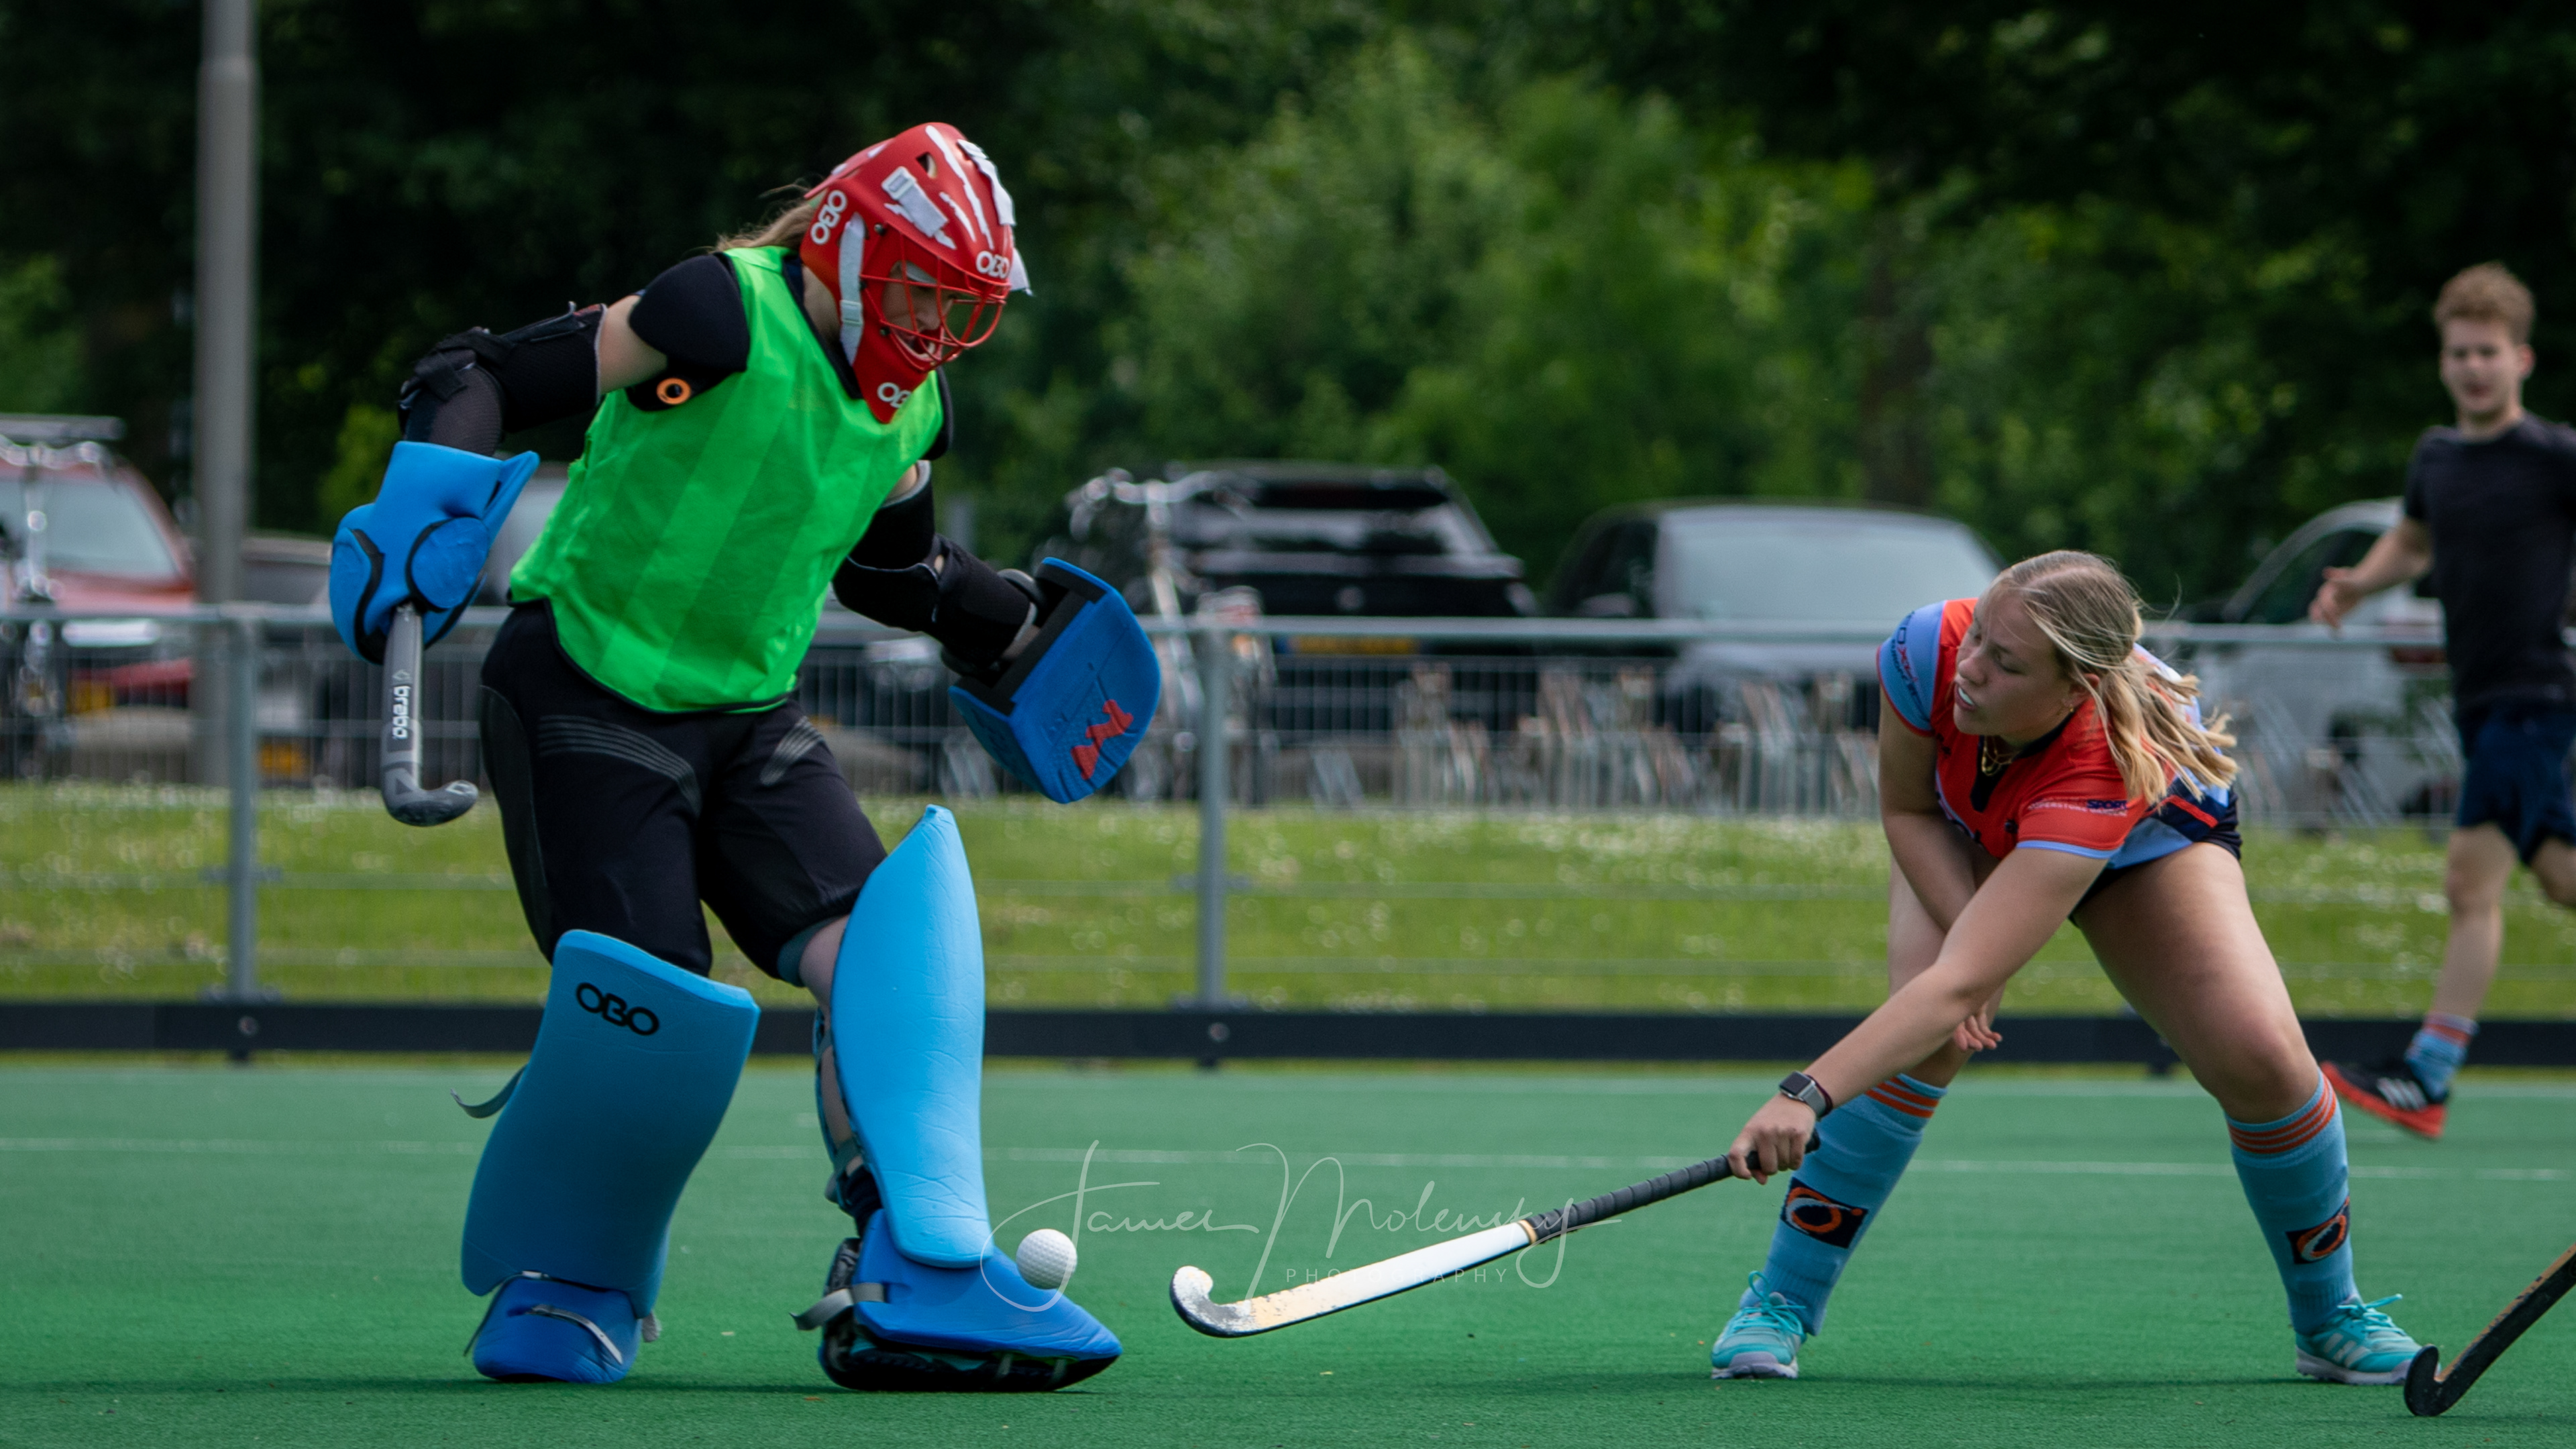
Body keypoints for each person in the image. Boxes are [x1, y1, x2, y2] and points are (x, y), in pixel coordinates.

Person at [328, 123, 1140, 1391]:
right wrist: (420, 501)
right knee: (654, 1004)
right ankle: (566, 1282)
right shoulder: (713, 314)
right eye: (918, 291)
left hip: (749, 722)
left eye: (957, 307)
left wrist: (1009, 622)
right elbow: (480, 373)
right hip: (586, 692)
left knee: (886, 953)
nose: (933, 329)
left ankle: (909, 1271)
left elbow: (890, 572)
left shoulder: (911, 405)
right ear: (847, 248)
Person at [1710, 551, 2422, 1386]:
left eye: (2006, 664)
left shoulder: (2104, 763)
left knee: (2262, 1058)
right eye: (1979, 637)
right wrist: (1968, 951)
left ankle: (2330, 1316)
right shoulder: (1926, 649)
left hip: (2145, 837)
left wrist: (1804, 1094)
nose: (1971, 670)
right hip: (1962, 824)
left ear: (2075, 688)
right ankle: (1780, 1300)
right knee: (1922, 1039)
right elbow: (1907, 808)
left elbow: (1958, 982)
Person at [2307, 262, 2576, 1140]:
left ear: (2521, 359)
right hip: (2479, 698)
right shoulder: (2438, 458)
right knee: (2562, 878)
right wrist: (2357, 584)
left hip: (2535, 697)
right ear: (2443, 362)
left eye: (2488, 352)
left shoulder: (2554, 457)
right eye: (2459, 353)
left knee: (2468, 883)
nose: (2473, 367)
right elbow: (2415, 541)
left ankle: (2427, 1076)